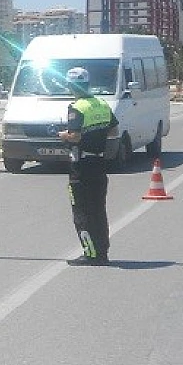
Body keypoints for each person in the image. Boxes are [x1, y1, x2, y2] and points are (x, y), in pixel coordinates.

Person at [58, 66, 118, 266]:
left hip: (81, 167)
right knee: (99, 210)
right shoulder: (101, 104)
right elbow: (113, 130)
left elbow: (74, 136)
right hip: (99, 163)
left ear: (71, 86)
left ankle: (90, 254)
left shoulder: (77, 107)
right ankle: (102, 252)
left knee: (81, 212)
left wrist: (63, 135)